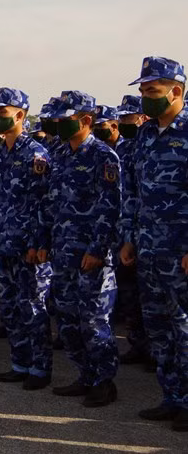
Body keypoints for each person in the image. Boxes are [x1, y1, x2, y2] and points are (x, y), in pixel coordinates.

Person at [120, 57, 188, 430]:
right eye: (143, 90)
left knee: (185, 328)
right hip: (148, 248)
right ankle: (173, 397)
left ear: (176, 91)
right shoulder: (146, 135)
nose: (145, 97)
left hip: (180, 252)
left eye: (152, 90)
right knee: (159, 328)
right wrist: (129, 238)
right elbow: (133, 192)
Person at [40, 90, 120, 407]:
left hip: (91, 255)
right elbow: (50, 204)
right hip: (62, 251)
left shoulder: (103, 156)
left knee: (94, 320)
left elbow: (110, 207)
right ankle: (85, 374)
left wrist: (98, 249)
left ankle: (104, 381)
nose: (59, 124)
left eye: (66, 119)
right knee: (68, 318)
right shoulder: (59, 154)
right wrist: (44, 243)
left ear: (86, 120)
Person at [0, 88, 53, 390]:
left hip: (28, 246)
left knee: (33, 308)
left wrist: (38, 243)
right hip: (5, 243)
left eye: (3, 112)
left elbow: (44, 203)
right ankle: (19, 363)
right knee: (11, 309)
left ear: (21, 115)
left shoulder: (36, 154)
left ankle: (39, 368)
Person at [113, 95, 151, 367]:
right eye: (122, 117)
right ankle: (139, 344)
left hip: (164, 239)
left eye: (129, 117)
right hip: (132, 232)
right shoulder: (127, 148)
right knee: (131, 295)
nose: (124, 122)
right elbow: (128, 195)